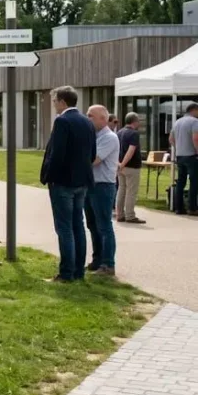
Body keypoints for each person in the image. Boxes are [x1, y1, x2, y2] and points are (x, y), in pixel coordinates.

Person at [40, 86, 96, 283]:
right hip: (82, 181)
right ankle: (78, 271)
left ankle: (66, 273)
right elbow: (92, 153)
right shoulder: (87, 122)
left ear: (62, 101)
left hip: (63, 182)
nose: (54, 105)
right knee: (77, 226)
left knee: (64, 228)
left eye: (55, 101)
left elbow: (57, 154)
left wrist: (49, 176)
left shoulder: (63, 121)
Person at [84, 105, 119, 276]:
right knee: (92, 225)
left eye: (91, 116)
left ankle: (108, 264)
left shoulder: (109, 137)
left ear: (103, 119)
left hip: (103, 186)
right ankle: (97, 260)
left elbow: (94, 160)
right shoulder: (93, 136)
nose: (87, 118)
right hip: (90, 185)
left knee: (104, 225)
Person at [116, 112, 145, 224]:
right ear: (135, 121)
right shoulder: (134, 133)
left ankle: (120, 214)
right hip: (131, 166)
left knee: (121, 189)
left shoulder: (119, 132)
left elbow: (117, 149)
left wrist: (119, 164)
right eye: (138, 121)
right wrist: (123, 163)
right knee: (131, 191)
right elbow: (131, 150)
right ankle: (130, 215)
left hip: (120, 166)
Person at [171, 102, 198, 215]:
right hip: (192, 155)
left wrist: (178, 147)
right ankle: (192, 208)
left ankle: (179, 208)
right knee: (194, 182)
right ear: (194, 110)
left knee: (181, 182)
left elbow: (171, 139)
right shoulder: (195, 122)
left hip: (180, 155)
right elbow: (195, 138)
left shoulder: (177, 122)